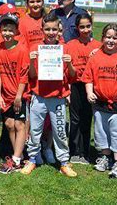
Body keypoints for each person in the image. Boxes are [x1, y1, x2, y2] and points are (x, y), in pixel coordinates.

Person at [20, 14, 77, 177]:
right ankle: (31, 159)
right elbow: (31, 76)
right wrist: (31, 62)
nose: (51, 32)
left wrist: (70, 63)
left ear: (59, 30)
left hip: (58, 97)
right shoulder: (36, 48)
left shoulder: (65, 48)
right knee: (35, 130)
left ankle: (64, 162)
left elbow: (72, 76)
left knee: (60, 131)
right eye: (47, 29)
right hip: (39, 96)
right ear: (42, 30)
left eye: (54, 29)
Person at [82, 23, 117, 179]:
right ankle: (105, 157)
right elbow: (88, 77)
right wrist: (89, 91)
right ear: (102, 38)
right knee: (102, 133)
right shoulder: (96, 56)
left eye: (114, 37)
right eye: (108, 37)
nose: (111, 41)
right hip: (100, 104)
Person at [0, 14, 29, 174]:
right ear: (0, 30)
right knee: (8, 125)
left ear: (16, 31)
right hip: (5, 95)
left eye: (10, 30)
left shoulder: (21, 49)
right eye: (4, 30)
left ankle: (15, 160)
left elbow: (24, 75)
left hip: (18, 95)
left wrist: (18, 96)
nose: (7, 33)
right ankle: (18, 157)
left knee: (19, 125)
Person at [66, 13, 102, 164]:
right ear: (77, 28)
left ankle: (85, 151)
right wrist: (67, 89)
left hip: (91, 87)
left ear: (92, 26)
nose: (85, 30)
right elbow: (66, 71)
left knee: (87, 119)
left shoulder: (99, 46)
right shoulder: (70, 45)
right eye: (82, 27)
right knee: (75, 119)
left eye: (88, 26)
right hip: (75, 85)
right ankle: (74, 150)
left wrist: (98, 54)